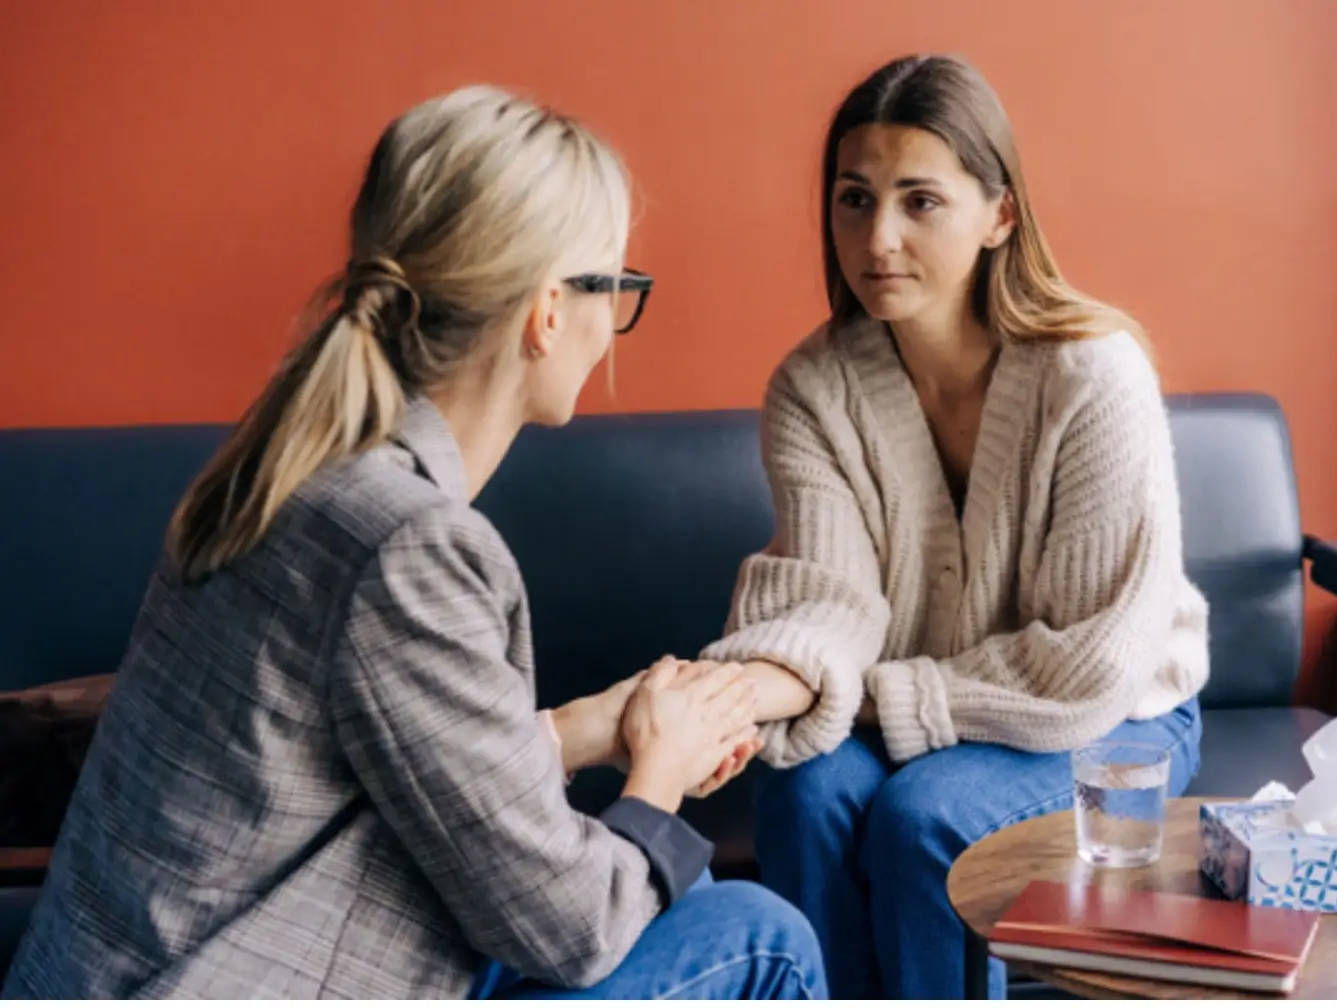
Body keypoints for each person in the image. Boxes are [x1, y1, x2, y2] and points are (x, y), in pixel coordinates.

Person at [2, 86, 825, 1001]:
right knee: (761, 935)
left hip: (128, 969)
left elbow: (360, 771)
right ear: (548, 312)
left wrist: (581, 730)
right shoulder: (411, 548)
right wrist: (662, 771)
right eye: (618, 286)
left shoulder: (282, 471)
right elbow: (573, 926)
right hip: (238, 974)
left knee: (682, 891)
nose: (615, 320)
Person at [698, 54, 1209, 999]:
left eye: (919, 201)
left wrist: (870, 698)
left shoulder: (1093, 374)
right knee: (805, 790)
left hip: (1111, 719)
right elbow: (828, 601)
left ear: (999, 215)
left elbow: (1088, 668)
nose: (878, 236)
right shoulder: (813, 388)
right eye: (854, 199)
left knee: (925, 815)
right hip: (915, 707)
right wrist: (746, 692)